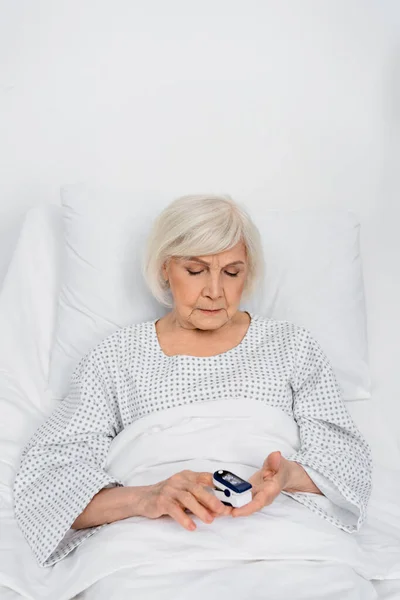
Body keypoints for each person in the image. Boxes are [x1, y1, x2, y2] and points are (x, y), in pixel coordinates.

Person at [13, 194, 372, 568]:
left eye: (231, 272)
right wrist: (145, 498)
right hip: (149, 539)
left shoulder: (290, 346)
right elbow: (49, 478)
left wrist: (288, 476)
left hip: (286, 530)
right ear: (165, 268)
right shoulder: (118, 355)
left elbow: (346, 459)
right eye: (196, 270)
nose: (215, 291)